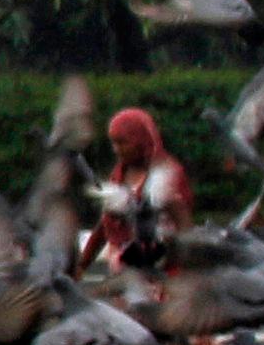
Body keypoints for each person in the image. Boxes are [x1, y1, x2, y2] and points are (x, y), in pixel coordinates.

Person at [79, 105, 192, 272]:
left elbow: (182, 228)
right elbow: (105, 224)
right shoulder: (119, 174)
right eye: (113, 143)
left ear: (141, 141)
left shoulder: (168, 173)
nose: (116, 150)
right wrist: (83, 264)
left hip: (162, 272)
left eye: (122, 143)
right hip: (124, 273)